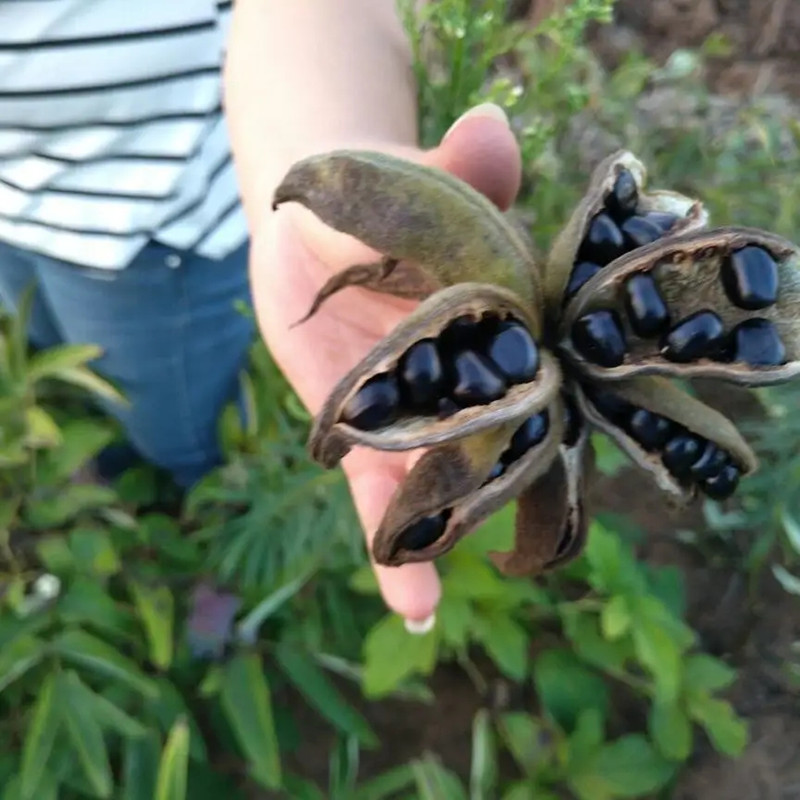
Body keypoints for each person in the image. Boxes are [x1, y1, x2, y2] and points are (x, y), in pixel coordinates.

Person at [0, 1, 522, 632]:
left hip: (158, 232)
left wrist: (321, 158)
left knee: (182, 428)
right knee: (63, 359)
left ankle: (211, 532)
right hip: (15, 212)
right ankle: (131, 474)